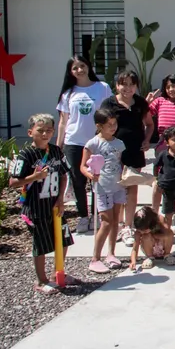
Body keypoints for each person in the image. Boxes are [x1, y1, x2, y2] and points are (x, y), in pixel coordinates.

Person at [8, 114, 74, 294]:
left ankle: (57, 273)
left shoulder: (55, 151)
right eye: (40, 130)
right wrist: (35, 177)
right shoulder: (25, 154)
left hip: (54, 204)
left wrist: (61, 198)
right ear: (30, 132)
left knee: (64, 238)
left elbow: (63, 174)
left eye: (49, 130)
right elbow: (13, 182)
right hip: (35, 207)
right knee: (41, 243)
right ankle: (41, 280)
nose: (45, 134)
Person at [56, 55, 113, 234]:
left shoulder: (102, 88)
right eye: (75, 68)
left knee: (97, 179)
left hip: (96, 142)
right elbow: (63, 122)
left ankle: (98, 214)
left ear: (88, 66)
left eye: (82, 66)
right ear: (70, 72)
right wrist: (58, 147)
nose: (79, 70)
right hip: (73, 142)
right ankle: (83, 216)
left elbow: (110, 114)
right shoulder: (68, 93)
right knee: (77, 180)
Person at [102, 70, 154, 247]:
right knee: (116, 189)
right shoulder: (109, 103)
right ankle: (115, 226)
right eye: (124, 84)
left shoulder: (140, 103)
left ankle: (128, 226)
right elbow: (101, 126)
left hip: (134, 151)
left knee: (131, 189)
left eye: (132, 84)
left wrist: (147, 140)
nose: (128, 88)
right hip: (114, 152)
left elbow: (149, 124)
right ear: (117, 85)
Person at [81, 109, 126, 274]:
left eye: (115, 124)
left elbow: (120, 164)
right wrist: (90, 174)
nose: (113, 127)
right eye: (109, 125)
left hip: (118, 186)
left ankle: (111, 254)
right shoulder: (93, 143)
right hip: (102, 187)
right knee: (106, 222)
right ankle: (95, 258)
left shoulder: (119, 143)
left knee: (115, 222)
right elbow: (83, 165)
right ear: (99, 126)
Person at [128, 207, 175, 271]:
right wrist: (133, 261)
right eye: (140, 230)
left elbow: (168, 233)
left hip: (161, 245)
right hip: (149, 247)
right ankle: (150, 257)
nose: (142, 232)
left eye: (144, 230)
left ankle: (167, 254)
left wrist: (155, 236)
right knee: (146, 236)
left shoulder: (160, 221)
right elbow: (134, 249)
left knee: (170, 233)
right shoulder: (138, 232)